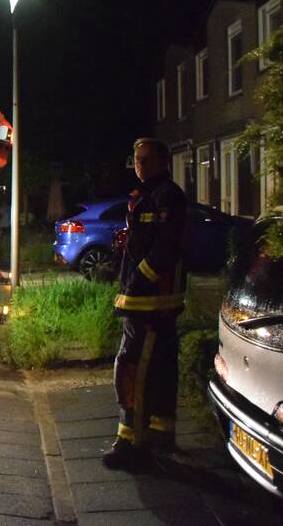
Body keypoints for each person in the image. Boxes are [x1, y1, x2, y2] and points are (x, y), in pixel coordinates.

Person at [102, 137, 187, 470]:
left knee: (133, 368)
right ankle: (158, 434)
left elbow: (164, 250)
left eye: (146, 160)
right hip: (148, 299)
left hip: (151, 301)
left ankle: (133, 443)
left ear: (164, 161)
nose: (140, 166)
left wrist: (137, 280)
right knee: (159, 369)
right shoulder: (148, 195)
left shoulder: (167, 197)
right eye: (136, 160)